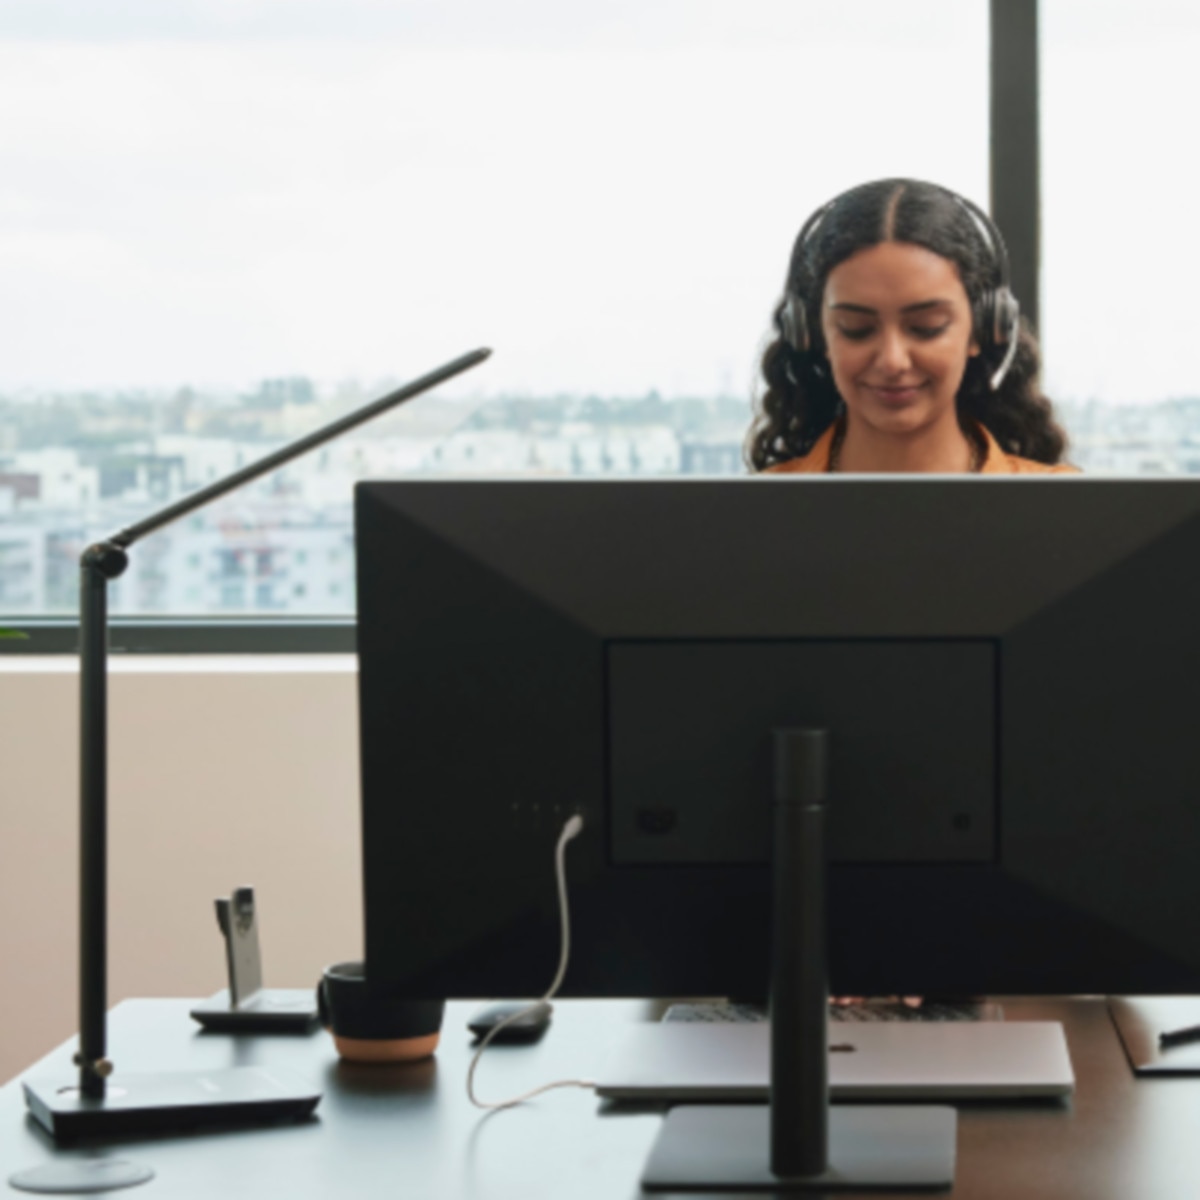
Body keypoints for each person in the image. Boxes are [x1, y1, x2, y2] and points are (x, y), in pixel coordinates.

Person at [746, 178, 1076, 476]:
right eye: (855, 328)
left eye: (926, 327)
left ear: (982, 329)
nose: (893, 361)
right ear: (814, 334)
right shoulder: (757, 514)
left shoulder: (1062, 508)